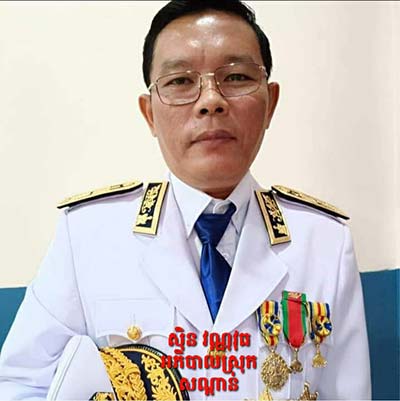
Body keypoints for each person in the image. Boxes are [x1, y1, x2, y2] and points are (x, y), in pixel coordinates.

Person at [0, 1, 371, 400]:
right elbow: (21, 385)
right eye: (180, 81)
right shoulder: (88, 236)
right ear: (150, 115)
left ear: (270, 103)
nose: (211, 100)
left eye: (236, 76)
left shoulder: (325, 243)